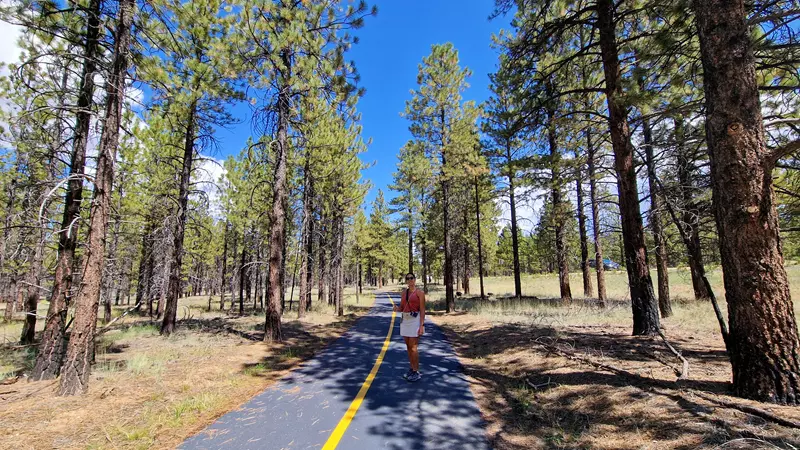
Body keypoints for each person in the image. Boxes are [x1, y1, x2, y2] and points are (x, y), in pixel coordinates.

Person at [394, 272, 425, 382]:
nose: (410, 280)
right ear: (406, 281)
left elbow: (422, 310)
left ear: (415, 279)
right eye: (408, 278)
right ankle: (412, 369)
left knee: (413, 347)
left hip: (415, 321)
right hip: (405, 320)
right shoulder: (404, 293)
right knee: (408, 346)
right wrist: (397, 309)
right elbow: (402, 308)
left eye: (411, 278)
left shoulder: (420, 293)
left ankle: (416, 371)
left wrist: (421, 325)